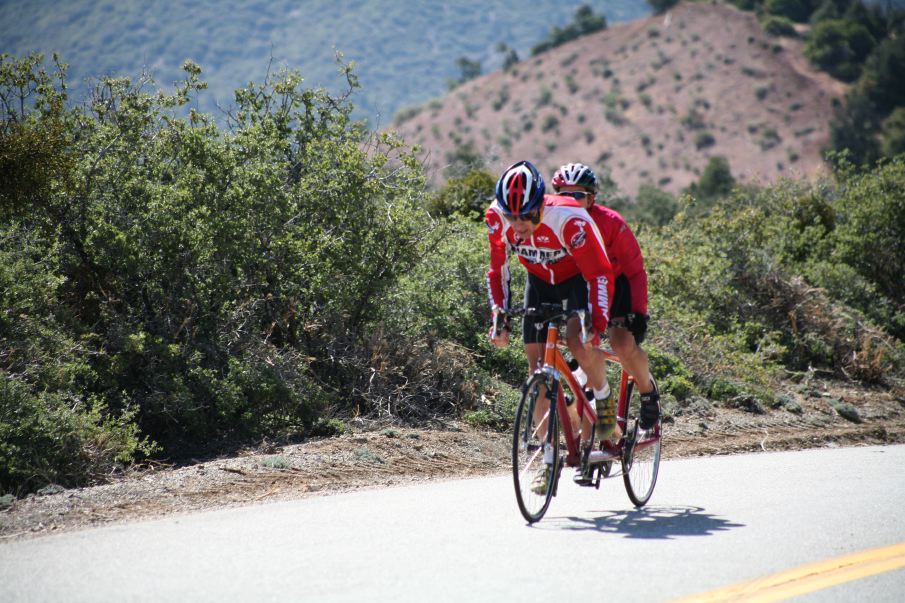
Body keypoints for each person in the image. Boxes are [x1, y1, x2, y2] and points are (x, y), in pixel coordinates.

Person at [485, 160, 616, 491]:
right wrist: (498, 316)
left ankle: (602, 399)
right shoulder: (496, 219)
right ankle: (548, 458)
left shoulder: (569, 219)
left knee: (578, 342)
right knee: (537, 372)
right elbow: (497, 271)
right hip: (539, 281)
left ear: (541, 205)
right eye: (512, 217)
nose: (519, 224)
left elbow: (599, 273)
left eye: (527, 216)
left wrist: (596, 323)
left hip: (576, 280)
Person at [549, 162, 660, 431]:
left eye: (578, 196)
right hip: (580, 283)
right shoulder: (552, 219)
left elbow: (635, 271)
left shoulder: (611, 223)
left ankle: (647, 393)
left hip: (617, 282)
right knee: (581, 351)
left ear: (592, 198)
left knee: (622, 344)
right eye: (564, 195)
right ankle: (595, 436)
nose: (570, 201)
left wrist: (639, 312)